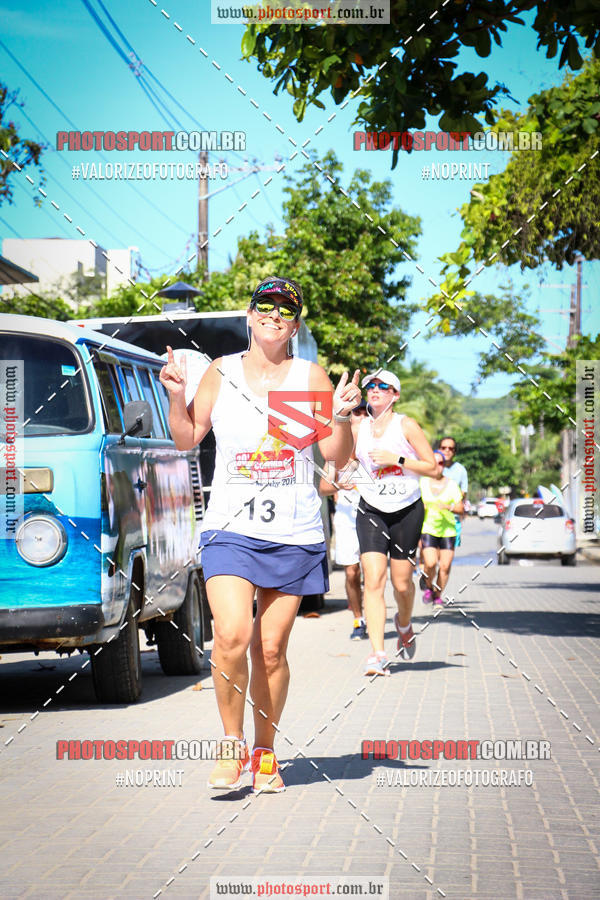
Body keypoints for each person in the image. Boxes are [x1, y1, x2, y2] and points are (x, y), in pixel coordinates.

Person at [159, 276, 361, 795]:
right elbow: (186, 439)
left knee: (271, 650)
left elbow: (336, 455)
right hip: (230, 528)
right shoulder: (220, 373)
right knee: (231, 634)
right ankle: (232, 743)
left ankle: (266, 750)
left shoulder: (309, 377)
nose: (274, 315)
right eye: (264, 307)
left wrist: (339, 415)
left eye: (285, 309)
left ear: (295, 323)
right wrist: (176, 396)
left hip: (293, 531)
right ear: (249, 316)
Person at [353, 370, 437, 676]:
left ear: (395, 394)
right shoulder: (357, 426)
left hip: (406, 509)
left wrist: (396, 459)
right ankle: (377, 654)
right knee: (372, 580)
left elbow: (432, 468)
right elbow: (347, 462)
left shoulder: (406, 425)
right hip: (371, 510)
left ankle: (404, 623)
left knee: (402, 583)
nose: (375, 389)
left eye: (382, 386)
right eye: (370, 386)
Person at [319, 399, 369, 641]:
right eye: (354, 413)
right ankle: (358, 619)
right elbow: (323, 487)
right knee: (351, 573)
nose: (358, 417)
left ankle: (372, 615)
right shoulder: (336, 453)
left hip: (372, 518)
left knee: (371, 572)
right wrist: (339, 484)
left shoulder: (374, 451)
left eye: (362, 412)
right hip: (347, 519)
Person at [420, 450, 465, 604]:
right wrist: (421, 507)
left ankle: (437, 595)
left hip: (448, 530)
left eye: (441, 463)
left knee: (445, 566)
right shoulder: (422, 482)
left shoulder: (452, 485)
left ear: (444, 465)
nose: (438, 466)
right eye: (434, 462)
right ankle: (427, 587)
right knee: (431, 563)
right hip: (428, 529)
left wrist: (448, 506)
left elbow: (461, 509)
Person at [438, 436, 468, 547]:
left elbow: (463, 494)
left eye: (451, 448)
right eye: (444, 447)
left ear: (454, 452)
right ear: (439, 449)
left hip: (452, 520)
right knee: (429, 559)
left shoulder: (460, 470)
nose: (447, 450)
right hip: (431, 520)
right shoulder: (432, 467)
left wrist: (448, 505)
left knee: (446, 562)